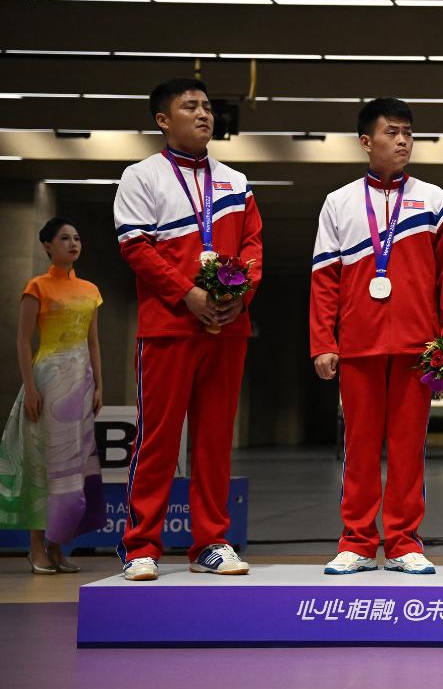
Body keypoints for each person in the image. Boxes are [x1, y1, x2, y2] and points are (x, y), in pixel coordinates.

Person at [310, 98, 443, 574]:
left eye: (408, 133)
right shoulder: (338, 202)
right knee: (359, 447)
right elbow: (324, 277)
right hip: (357, 345)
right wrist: (323, 341)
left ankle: (403, 541)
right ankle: (357, 541)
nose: (403, 140)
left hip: (419, 348)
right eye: (392, 132)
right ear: (366, 142)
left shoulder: (434, 199)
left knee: (407, 448)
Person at [112, 77, 262, 580]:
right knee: (158, 438)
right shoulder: (141, 176)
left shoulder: (236, 182)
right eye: (190, 106)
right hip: (169, 328)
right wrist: (189, 295)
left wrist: (237, 300)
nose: (204, 114)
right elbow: (136, 247)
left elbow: (254, 248)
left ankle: (210, 542)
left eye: (207, 107)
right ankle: (141, 545)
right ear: (162, 120)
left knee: (215, 439)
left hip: (226, 330)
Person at [0, 218, 105, 573]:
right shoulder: (37, 286)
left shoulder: (90, 289)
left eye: (77, 238)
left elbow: (93, 342)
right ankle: (36, 548)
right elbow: (21, 340)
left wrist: (100, 386)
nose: (73, 243)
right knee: (43, 466)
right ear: (47, 245)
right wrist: (30, 387)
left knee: (71, 471)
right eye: (64, 238)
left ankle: (59, 546)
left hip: (81, 385)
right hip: (47, 382)